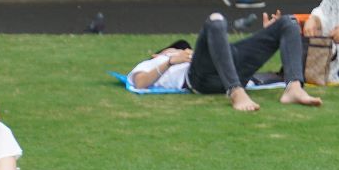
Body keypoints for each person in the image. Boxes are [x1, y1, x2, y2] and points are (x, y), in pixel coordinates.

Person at [126, 12, 322, 113]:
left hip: (231, 65)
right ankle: (236, 92)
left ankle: (294, 87)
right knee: (215, 21)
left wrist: (266, 35)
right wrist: (170, 60)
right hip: (201, 78)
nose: (182, 50)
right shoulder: (154, 62)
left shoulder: (200, 53)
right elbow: (139, 82)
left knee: (288, 22)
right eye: (176, 47)